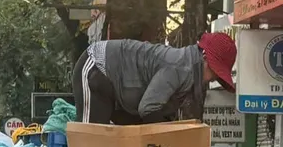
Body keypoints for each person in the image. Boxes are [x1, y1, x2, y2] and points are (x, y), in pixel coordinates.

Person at [72, 32, 237, 125]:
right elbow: (148, 108)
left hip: (123, 91)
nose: (213, 79)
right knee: (92, 138)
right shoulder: (179, 67)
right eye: (215, 73)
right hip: (97, 66)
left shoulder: (188, 76)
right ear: (205, 58)